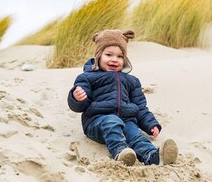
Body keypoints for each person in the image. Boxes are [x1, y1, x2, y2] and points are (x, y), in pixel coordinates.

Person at [67, 29, 178, 166]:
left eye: (120, 56)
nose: (114, 59)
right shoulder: (88, 77)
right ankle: (120, 152)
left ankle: (154, 156)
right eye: (108, 55)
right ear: (98, 56)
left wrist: (150, 124)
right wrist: (77, 98)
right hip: (97, 122)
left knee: (135, 135)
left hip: (126, 120)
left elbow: (140, 107)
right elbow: (79, 107)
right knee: (112, 121)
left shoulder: (132, 81)